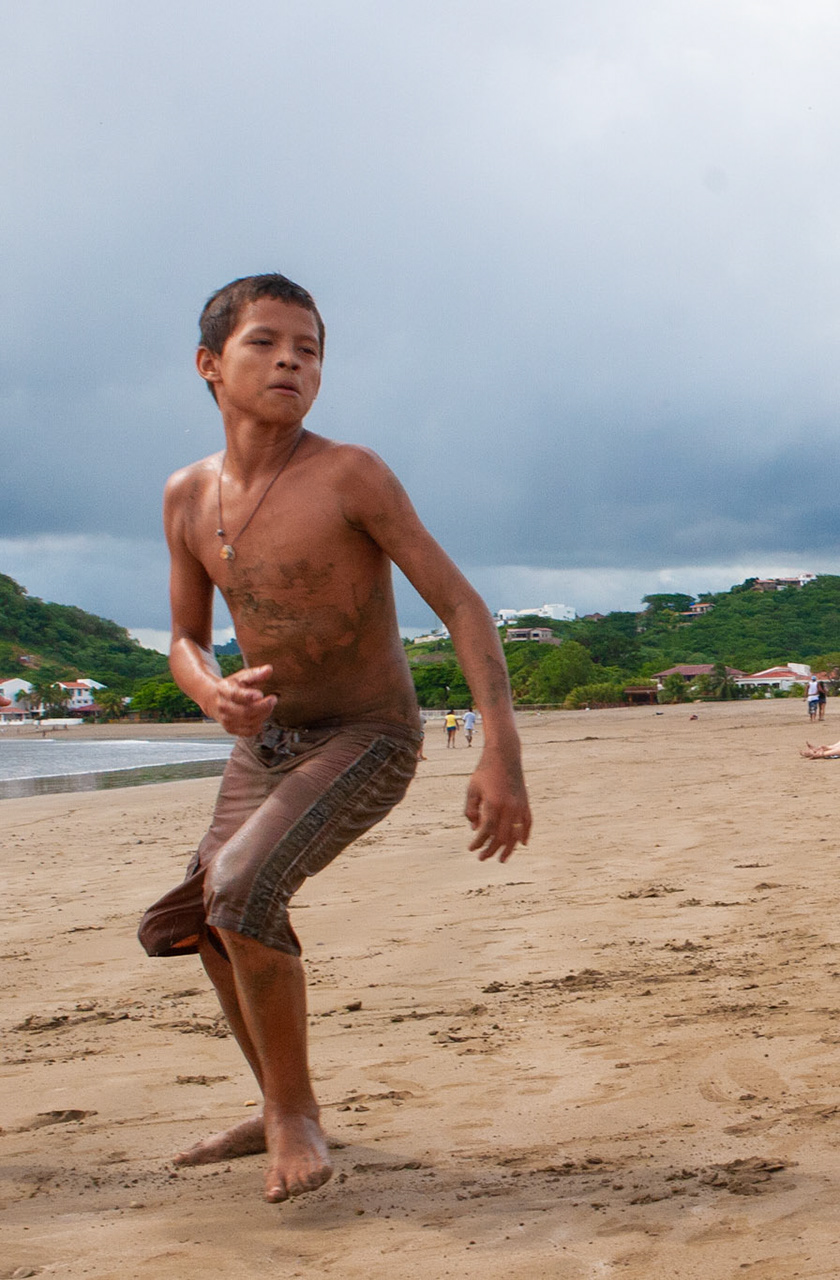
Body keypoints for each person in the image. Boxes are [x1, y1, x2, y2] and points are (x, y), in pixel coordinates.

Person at [137, 275, 532, 1204]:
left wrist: (500, 750)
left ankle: (294, 1115)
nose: (290, 361)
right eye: (265, 343)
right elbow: (186, 639)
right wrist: (209, 691)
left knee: (239, 890)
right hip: (266, 744)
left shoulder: (351, 473)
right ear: (208, 365)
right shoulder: (186, 497)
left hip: (368, 735)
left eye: (308, 349)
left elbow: (461, 602)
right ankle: (276, 1101)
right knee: (206, 918)